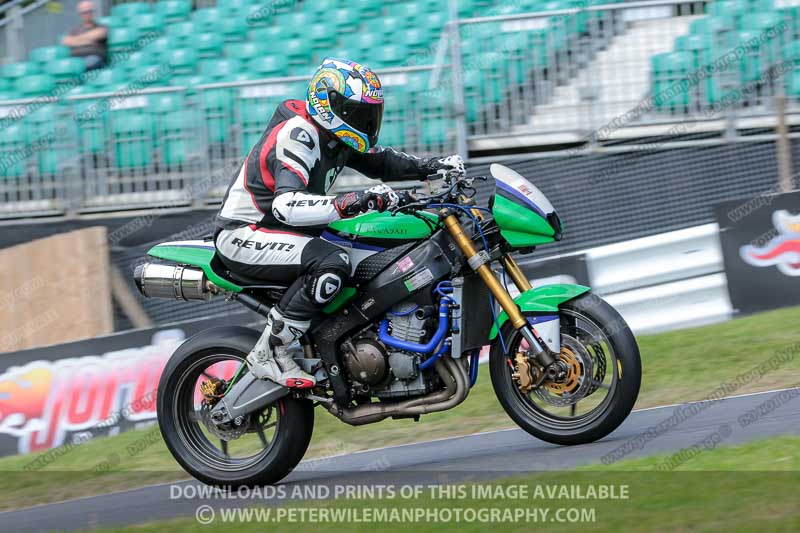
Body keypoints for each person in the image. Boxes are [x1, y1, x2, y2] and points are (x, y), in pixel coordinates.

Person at [214, 57, 464, 388]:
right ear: (329, 105)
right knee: (333, 262)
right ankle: (270, 351)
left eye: (370, 112)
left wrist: (432, 166)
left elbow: (383, 163)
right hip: (246, 232)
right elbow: (286, 205)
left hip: (288, 232)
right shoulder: (299, 133)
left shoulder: (336, 135)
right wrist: (351, 202)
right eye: (356, 111)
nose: (365, 120)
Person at [62, 1, 108, 71]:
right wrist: (89, 40)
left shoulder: (100, 27)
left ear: (92, 12)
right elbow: (66, 41)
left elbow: (101, 33)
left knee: (82, 65)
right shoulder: (75, 30)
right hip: (75, 59)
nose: (87, 14)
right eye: (84, 12)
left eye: (89, 11)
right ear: (80, 14)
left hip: (94, 58)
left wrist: (76, 41)